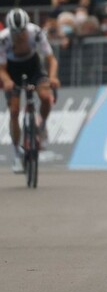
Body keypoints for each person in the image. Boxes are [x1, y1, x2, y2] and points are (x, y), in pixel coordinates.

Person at [0, 9, 61, 174]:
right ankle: (16, 154)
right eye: (15, 32)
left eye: (22, 31)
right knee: (14, 111)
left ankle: (42, 126)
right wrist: (7, 81)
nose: (19, 35)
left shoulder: (36, 33)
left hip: (33, 66)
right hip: (12, 70)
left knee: (45, 97)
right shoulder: (3, 39)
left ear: (27, 27)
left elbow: (51, 59)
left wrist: (53, 77)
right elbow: (1, 68)